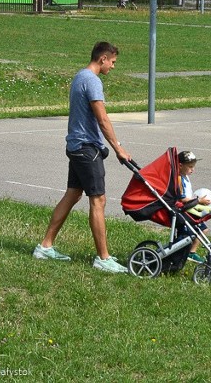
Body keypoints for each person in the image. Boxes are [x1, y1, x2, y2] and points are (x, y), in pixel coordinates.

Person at [33, 41, 132, 273]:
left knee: (73, 194)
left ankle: (45, 247)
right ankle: (103, 258)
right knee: (98, 200)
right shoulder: (92, 81)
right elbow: (103, 119)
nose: (113, 67)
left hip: (76, 146)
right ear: (103, 59)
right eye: (113, 62)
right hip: (87, 149)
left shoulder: (79, 77)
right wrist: (118, 148)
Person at [177, 150, 211, 263]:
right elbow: (182, 198)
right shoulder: (179, 179)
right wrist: (198, 200)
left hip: (190, 208)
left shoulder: (185, 176)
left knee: (203, 229)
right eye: (190, 167)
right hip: (185, 210)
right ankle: (190, 253)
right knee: (195, 231)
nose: (193, 169)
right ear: (180, 165)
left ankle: (191, 252)